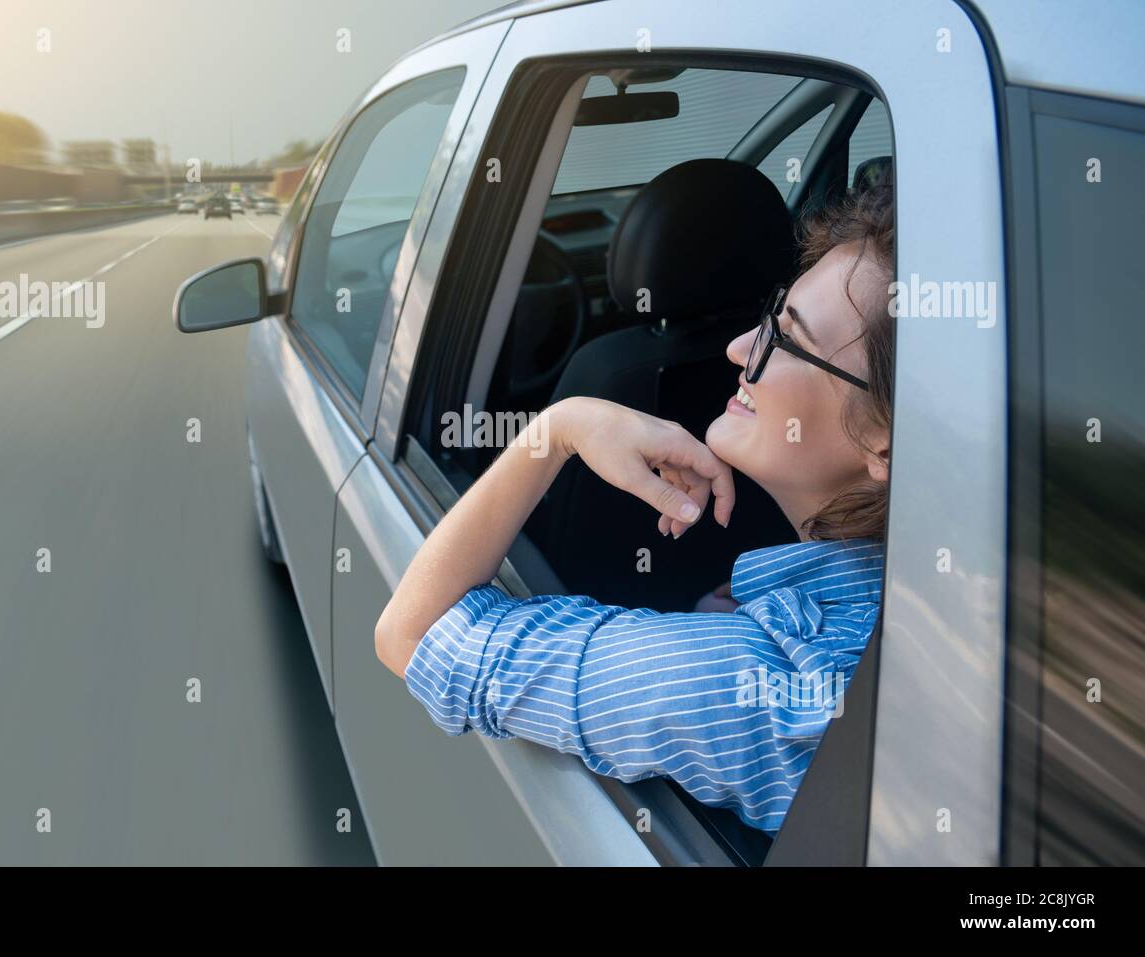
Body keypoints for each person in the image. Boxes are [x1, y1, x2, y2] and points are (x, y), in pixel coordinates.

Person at [375, 183, 895, 835]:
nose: (740, 347)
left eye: (787, 341)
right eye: (769, 314)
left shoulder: (752, 680)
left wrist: (559, 429)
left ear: (884, 439)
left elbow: (412, 634)